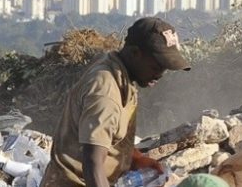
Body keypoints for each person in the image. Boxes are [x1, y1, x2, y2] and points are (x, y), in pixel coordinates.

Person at [40, 17, 191, 187]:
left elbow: (109, 137)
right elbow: (92, 164)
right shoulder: (105, 92)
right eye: (156, 67)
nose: (160, 74)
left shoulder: (119, 74)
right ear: (135, 53)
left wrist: (136, 159)